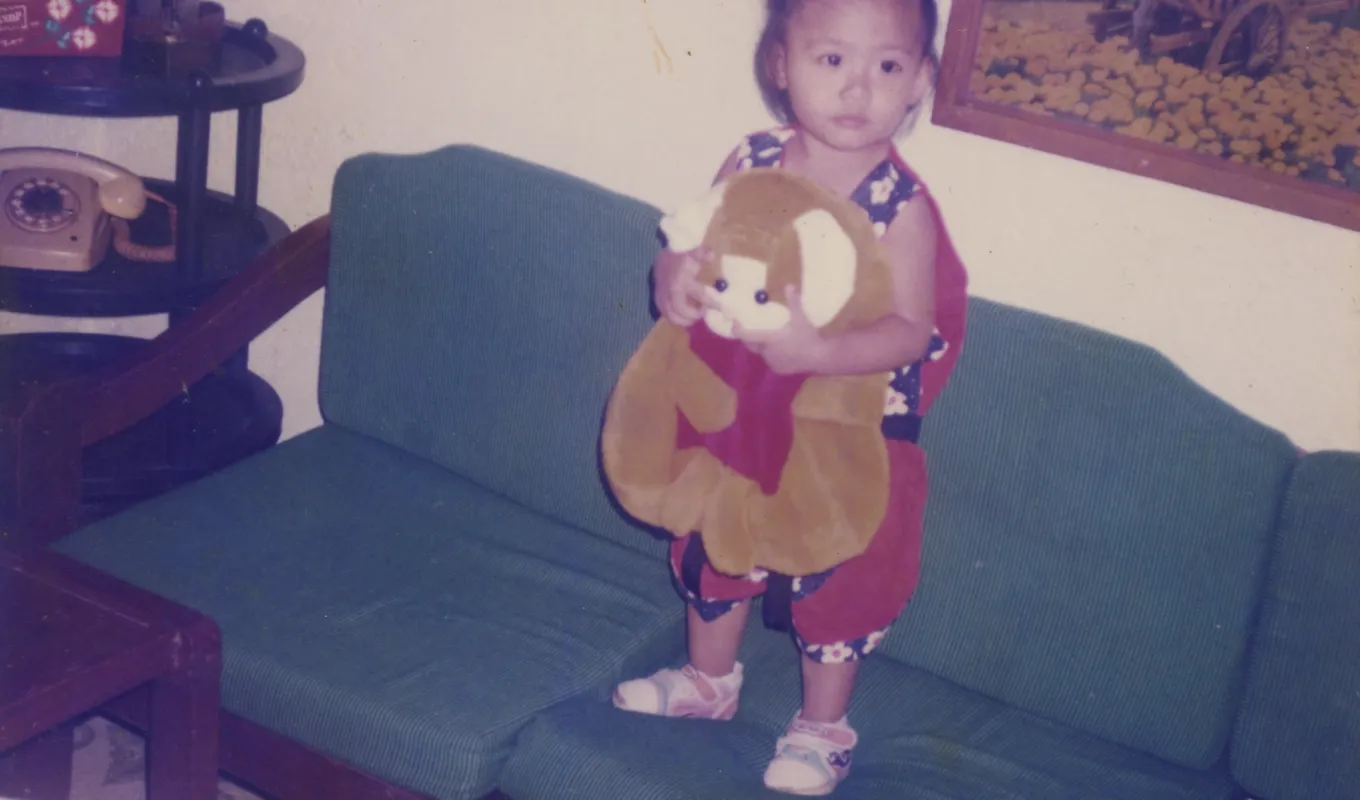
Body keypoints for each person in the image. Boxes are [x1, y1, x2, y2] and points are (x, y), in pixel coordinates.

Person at [612, 0, 970, 794]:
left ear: (919, 82)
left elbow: (913, 329)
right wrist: (672, 275)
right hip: (738, 403)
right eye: (831, 59)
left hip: (844, 430)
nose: (857, 89)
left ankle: (821, 726)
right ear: (781, 64)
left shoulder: (897, 205)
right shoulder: (753, 158)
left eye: (886, 66)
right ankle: (710, 682)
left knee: (837, 571)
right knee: (714, 536)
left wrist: (823, 351)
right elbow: (696, 246)